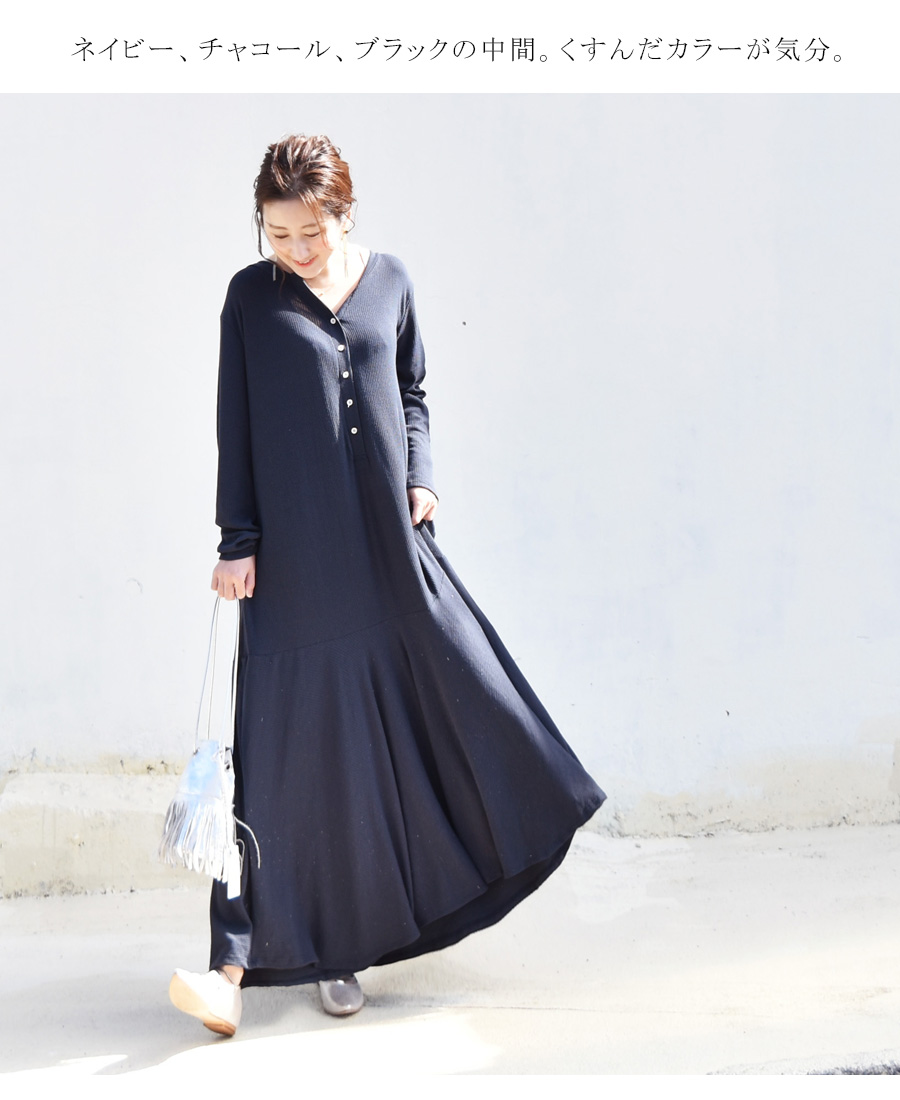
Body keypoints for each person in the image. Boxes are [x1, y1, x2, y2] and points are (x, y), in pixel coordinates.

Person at [169, 134, 606, 1036]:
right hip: (296, 565)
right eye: (278, 234)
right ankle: (230, 968)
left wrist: (423, 476)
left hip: (391, 550)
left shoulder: (392, 281)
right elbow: (234, 425)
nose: (296, 250)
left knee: (458, 703)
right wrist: (236, 540)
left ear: (345, 214)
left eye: (312, 232)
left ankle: (358, 943)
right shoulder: (250, 299)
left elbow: (411, 391)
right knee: (284, 757)